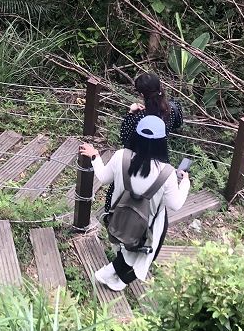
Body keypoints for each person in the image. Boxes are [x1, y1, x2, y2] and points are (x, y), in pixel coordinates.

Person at [79, 115, 190, 292]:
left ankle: (118, 280)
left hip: (120, 215)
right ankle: (110, 273)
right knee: (147, 252)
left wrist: (95, 156)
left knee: (127, 242)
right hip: (149, 223)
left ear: (136, 137)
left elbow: (103, 177)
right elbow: (175, 204)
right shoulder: (167, 173)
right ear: (162, 142)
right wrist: (185, 183)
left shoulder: (121, 156)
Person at [105, 73, 183, 214]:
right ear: (160, 87)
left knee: (122, 196)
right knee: (155, 201)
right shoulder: (171, 110)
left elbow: (125, 137)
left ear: (141, 94)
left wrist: (130, 113)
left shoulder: (140, 117)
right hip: (160, 162)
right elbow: (179, 123)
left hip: (136, 162)